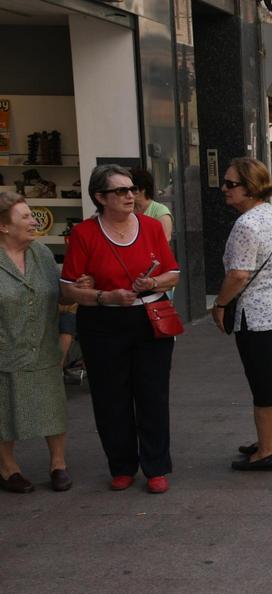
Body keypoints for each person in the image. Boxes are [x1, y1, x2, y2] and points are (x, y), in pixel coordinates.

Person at [60, 164, 180, 493]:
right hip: (102, 322)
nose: (131, 195)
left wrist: (153, 280)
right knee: (110, 397)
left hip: (149, 319)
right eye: (121, 191)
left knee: (152, 394)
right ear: (100, 197)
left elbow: (173, 273)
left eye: (132, 189)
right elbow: (68, 287)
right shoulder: (85, 233)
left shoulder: (153, 227)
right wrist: (103, 295)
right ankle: (122, 465)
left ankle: (156, 466)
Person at [211, 158, 272, 470]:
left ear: (250, 188)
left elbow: (238, 275)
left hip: (260, 317)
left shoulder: (247, 224)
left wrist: (220, 304)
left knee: (263, 387)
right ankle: (270, 439)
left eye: (231, 184)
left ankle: (265, 452)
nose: (223, 189)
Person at [0, 193, 80, 493]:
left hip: (44, 346)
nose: (34, 222)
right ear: (4, 227)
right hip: (5, 349)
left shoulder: (42, 254)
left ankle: (58, 464)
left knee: (52, 409)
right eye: (25, 217)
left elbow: (59, 297)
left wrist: (65, 336)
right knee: (4, 410)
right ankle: (8, 469)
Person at [131, 167, 174, 242]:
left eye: (132, 190)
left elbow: (165, 240)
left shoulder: (160, 211)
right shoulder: (127, 209)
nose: (128, 194)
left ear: (143, 190)